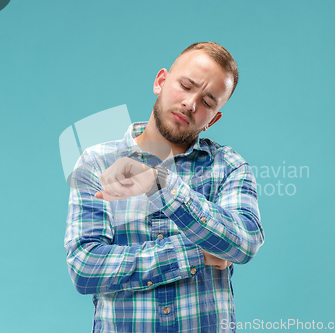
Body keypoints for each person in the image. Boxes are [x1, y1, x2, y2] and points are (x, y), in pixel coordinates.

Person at [64, 42, 265, 333]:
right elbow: (85, 268)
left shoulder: (229, 166)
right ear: (160, 81)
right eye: (186, 86)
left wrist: (160, 185)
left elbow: (244, 242)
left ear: (214, 119)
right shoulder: (97, 162)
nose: (191, 104)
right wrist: (197, 252)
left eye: (208, 102)